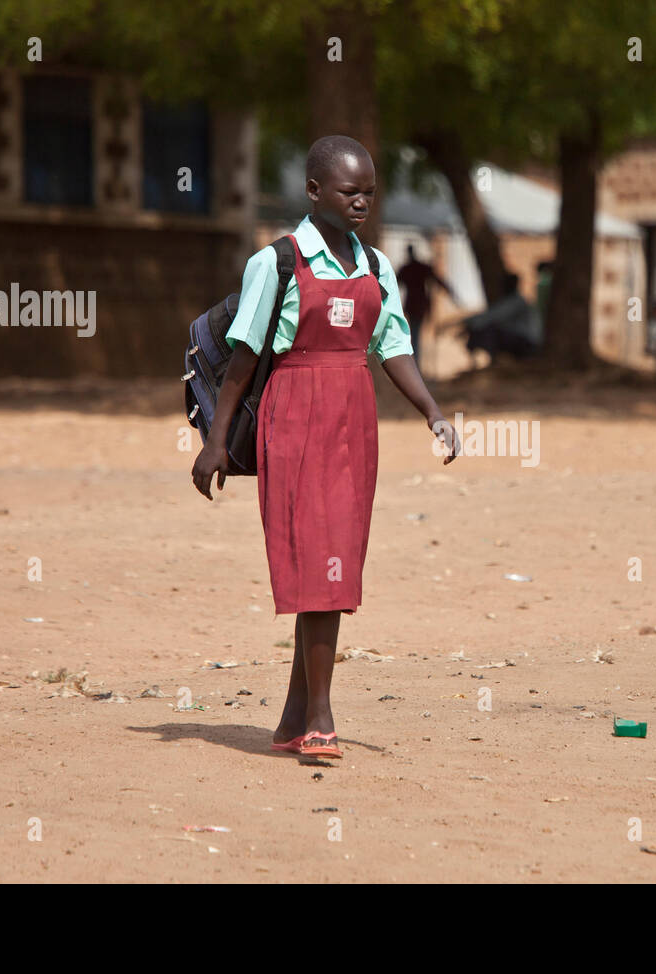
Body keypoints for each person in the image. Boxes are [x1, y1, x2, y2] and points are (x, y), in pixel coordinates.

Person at [190, 135, 460, 761]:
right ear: (315, 192)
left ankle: (290, 720)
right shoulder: (276, 262)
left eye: (369, 190)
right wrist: (213, 443)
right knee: (318, 565)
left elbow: (391, 347)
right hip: (295, 415)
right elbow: (245, 357)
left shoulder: (376, 267)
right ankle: (320, 718)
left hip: (352, 420)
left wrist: (433, 413)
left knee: (335, 558)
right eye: (349, 191)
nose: (362, 201)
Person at [395, 244, 455, 365]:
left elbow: (437, 280)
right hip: (417, 305)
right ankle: (415, 363)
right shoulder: (413, 268)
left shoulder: (411, 268)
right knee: (415, 334)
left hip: (416, 305)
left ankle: (415, 363)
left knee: (415, 333)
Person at [462, 272, 542, 362]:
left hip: (526, 343)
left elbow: (491, 317)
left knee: (487, 329)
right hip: (525, 341)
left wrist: (465, 323)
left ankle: (485, 361)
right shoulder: (517, 301)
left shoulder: (515, 302)